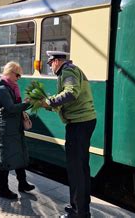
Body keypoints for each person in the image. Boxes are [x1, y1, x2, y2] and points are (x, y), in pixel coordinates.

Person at [42, 51, 96, 218]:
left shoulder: (68, 71)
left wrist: (49, 102)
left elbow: (71, 93)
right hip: (84, 121)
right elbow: (68, 97)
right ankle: (80, 207)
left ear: (57, 61)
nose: (50, 66)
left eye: (50, 63)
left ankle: (79, 213)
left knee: (76, 170)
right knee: (82, 169)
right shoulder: (73, 70)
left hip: (78, 124)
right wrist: (49, 104)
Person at [0, 61, 35, 199]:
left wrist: (24, 103)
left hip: (14, 128)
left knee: (19, 154)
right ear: (10, 73)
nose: (19, 78)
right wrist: (26, 104)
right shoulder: (2, 89)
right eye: (17, 75)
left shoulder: (11, 87)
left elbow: (15, 106)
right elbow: (10, 108)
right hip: (5, 129)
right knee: (5, 160)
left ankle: (23, 183)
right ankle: (3, 189)